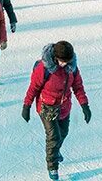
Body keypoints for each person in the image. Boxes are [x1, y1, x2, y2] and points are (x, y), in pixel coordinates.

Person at [22, 41, 91, 181]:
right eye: (62, 62)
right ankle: (52, 166)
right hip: (47, 107)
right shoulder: (44, 68)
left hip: (64, 107)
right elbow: (33, 87)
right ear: (55, 57)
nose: (64, 65)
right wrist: (26, 106)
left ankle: (54, 152)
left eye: (67, 62)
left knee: (63, 133)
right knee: (53, 137)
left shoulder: (72, 67)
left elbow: (78, 86)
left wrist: (85, 105)